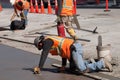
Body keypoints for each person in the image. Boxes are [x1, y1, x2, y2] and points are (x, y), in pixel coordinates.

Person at [33, 35, 113, 74]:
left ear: (40, 42)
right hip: (71, 52)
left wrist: (40, 67)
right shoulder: (51, 43)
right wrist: (63, 66)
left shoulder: (47, 41)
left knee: (82, 69)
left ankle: (102, 63)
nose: (42, 48)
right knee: (72, 69)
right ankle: (90, 62)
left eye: (40, 46)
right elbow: (62, 53)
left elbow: (44, 54)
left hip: (74, 49)